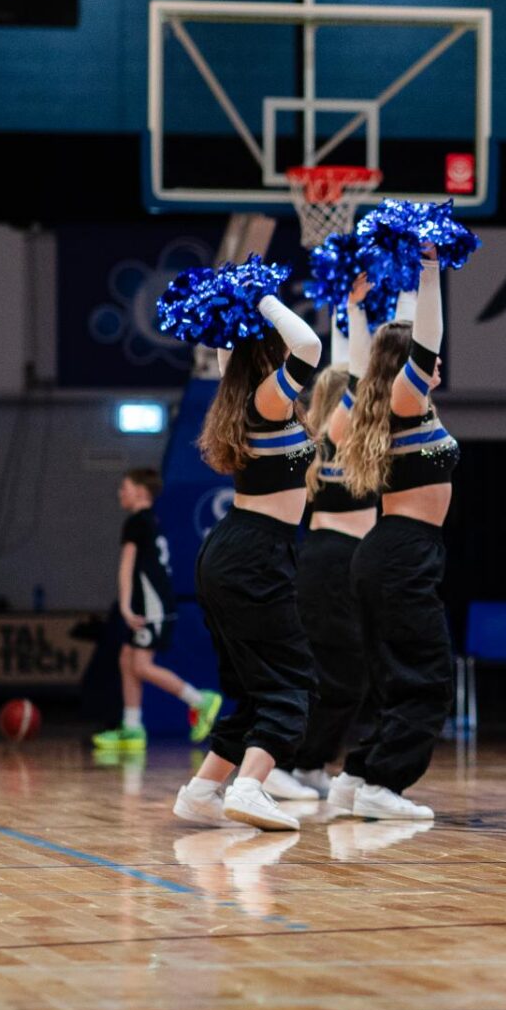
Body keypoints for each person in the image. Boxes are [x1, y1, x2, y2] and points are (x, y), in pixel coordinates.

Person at [170, 291, 324, 833]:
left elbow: (229, 349)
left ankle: (201, 791)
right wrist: (263, 298)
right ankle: (251, 786)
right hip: (255, 553)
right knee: (294, 681)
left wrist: (233, 308)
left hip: (234, 551)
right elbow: (309, 344)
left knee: (250, 686)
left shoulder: (237, 394)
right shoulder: (267, 398)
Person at [330, 248, 460, 822]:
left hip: (390, 552)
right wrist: (429, 269)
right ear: (408, 366)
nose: (439, 364)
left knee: (393, 674)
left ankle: (358, 775)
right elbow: (423, 337)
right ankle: (386, 782)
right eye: (429, 361)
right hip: (402, 552)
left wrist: (362, 307)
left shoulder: (385, 401)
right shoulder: (404, 400)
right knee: (427, 677)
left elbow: (394, 342)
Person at [286, 280, 380, 803]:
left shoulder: (343, 441)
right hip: (330, 562)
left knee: (348, 675)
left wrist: (348, 314)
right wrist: (351, 308)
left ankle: (310, 762)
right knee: (341, 675)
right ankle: (293, 761)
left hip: (345, 563)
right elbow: (359, 379)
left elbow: (352, 374)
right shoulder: (331, 439)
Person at [91, 467, 223, 753]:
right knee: (127, 658)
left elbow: (127, 568)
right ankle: (132, 727)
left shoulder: (136, 522)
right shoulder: (152, 520)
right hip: (154, 602)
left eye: (124, 487)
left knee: (141, 665)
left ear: (140, 491)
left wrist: (124, 606)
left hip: (152, 606)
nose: (120, 493)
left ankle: (200, 700)